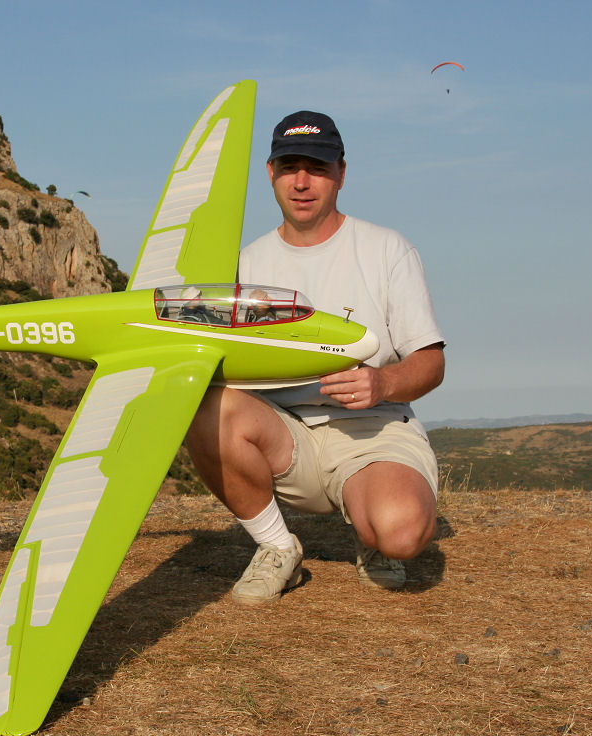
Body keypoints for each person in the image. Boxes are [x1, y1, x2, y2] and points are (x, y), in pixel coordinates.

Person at [185, 110, 446, 605]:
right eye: (289, 168)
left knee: (401, 534)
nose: (302, 182)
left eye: (318, 168)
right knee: (202, 402)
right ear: (270, 173)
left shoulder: (388, 249)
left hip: (373, 431)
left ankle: (373, 535)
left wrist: (383, 384)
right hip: (285, 434)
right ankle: (277, 547)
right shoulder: (243, 265)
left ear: (341, 174)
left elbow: (431, 363)